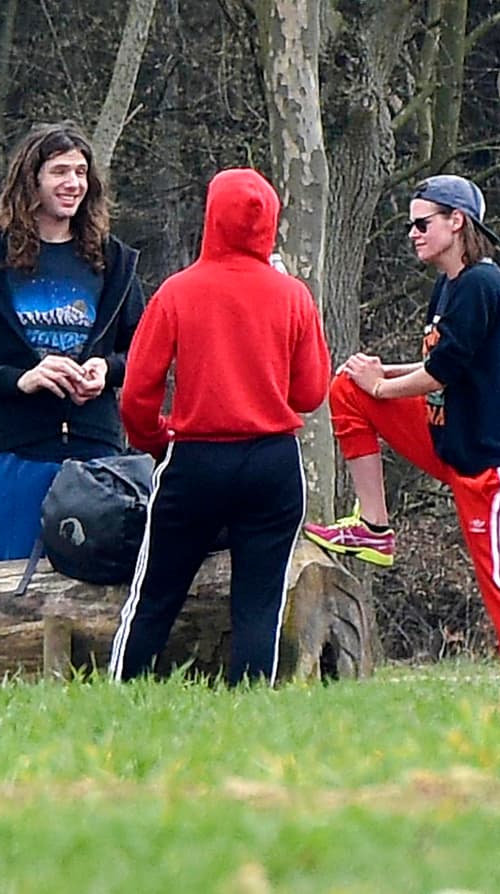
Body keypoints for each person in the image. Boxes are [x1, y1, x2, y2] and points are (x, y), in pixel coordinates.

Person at [303, 174, 500, 679]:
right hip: (449, 441)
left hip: (492, 469)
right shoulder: (450, 284)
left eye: (422, 223)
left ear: (456, 222)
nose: (413, 233)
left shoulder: (482, 283)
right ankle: (374, 528)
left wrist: (381, 387)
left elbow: (440, 373)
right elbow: (443, 362)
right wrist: (375, 376)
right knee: (346, 390)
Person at [110, 168, 331, 685]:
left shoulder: (178, 292)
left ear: (211, 218)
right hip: (273, 462)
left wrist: (154, 439)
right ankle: (248, 706)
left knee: (155, 592)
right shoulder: (293, 296)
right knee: (259, 603)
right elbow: (310, 392)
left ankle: (122, 692)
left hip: (196, 459)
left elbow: (138, 392)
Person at [0, 121, 145, 561]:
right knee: (11, 586)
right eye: (59, 171)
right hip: (17, 448)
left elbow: (144, 352)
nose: (73, 183)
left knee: (94, 589)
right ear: (30, 180)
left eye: (80, 171)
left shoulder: (116, 262)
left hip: (97, 452)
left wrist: (105, 370)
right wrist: (22, 379)